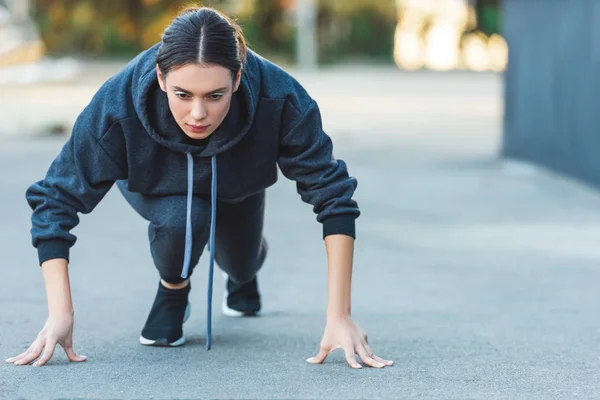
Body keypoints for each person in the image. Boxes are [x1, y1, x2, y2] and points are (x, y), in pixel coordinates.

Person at [5, 6, 393, 369]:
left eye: (215, 96)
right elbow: (55, 200)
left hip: (239, 181)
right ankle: (173, 289)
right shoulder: (116, 102)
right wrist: (60, 314)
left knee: (240, 261)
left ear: (238, 78)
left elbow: (334, 195)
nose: (197, 114)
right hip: (157, 183)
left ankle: (244, 272)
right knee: (183, 219)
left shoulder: (282, 97)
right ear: (160, 77)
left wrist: (339, 316)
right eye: (182, 94)